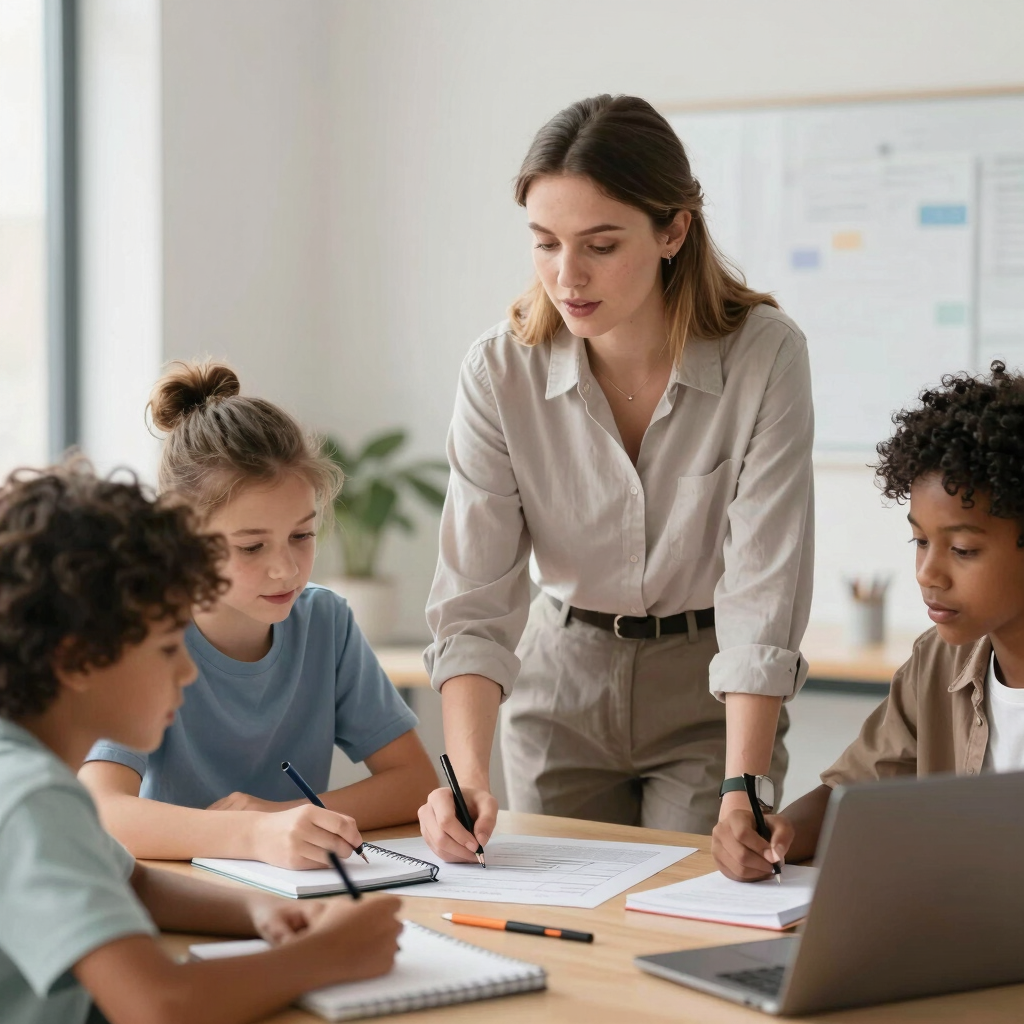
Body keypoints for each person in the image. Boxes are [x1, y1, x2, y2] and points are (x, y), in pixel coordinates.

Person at [418, 94, 814, 864]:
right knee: (565, 934)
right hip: (560, 679)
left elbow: (764, 584)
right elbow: (475, 595)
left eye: (601, 245)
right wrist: (465, 776)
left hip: (707, 687)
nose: (568, 277)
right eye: (545, 243)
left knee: (693, 911)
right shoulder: (500, 371)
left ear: (673, 231)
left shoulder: (764, 358)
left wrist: (745, 785)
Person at [0, 462, 402, 1024]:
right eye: (168, 648)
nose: (189, 672)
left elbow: (132, 881)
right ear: (77, 660)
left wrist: (265, 909)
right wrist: (326, 956)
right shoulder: (29, 796)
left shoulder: (24, 774)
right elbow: (159, 1005)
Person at [80, 361, 435, 867]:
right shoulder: (142, 632)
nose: (286, 569)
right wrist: (249, 834)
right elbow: (101, 810)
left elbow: (415, 783)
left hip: (297, 894)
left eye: (302, 536)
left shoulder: (325, 622)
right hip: (176, 894)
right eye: (251, 547)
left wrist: (282, 817)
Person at [713, 361, 1024, 880]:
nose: (928, 573)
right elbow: (848, 796)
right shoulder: (936, 662)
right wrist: (770, 834)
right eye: (920, 541)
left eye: (963, 549)